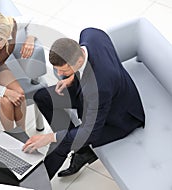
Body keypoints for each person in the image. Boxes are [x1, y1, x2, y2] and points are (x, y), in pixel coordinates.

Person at [22, 27, 145, 179]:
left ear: (79, 60)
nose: (59, 74)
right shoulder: (90, 34)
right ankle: (79, 148)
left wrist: (50, 137)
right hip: (90, 93)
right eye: (57, 70)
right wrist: (71, 78)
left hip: (118, 118)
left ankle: (36, 183)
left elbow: (91, 131)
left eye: (63, 71)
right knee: (42, 97)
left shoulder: (100, 87)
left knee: (62, 143)